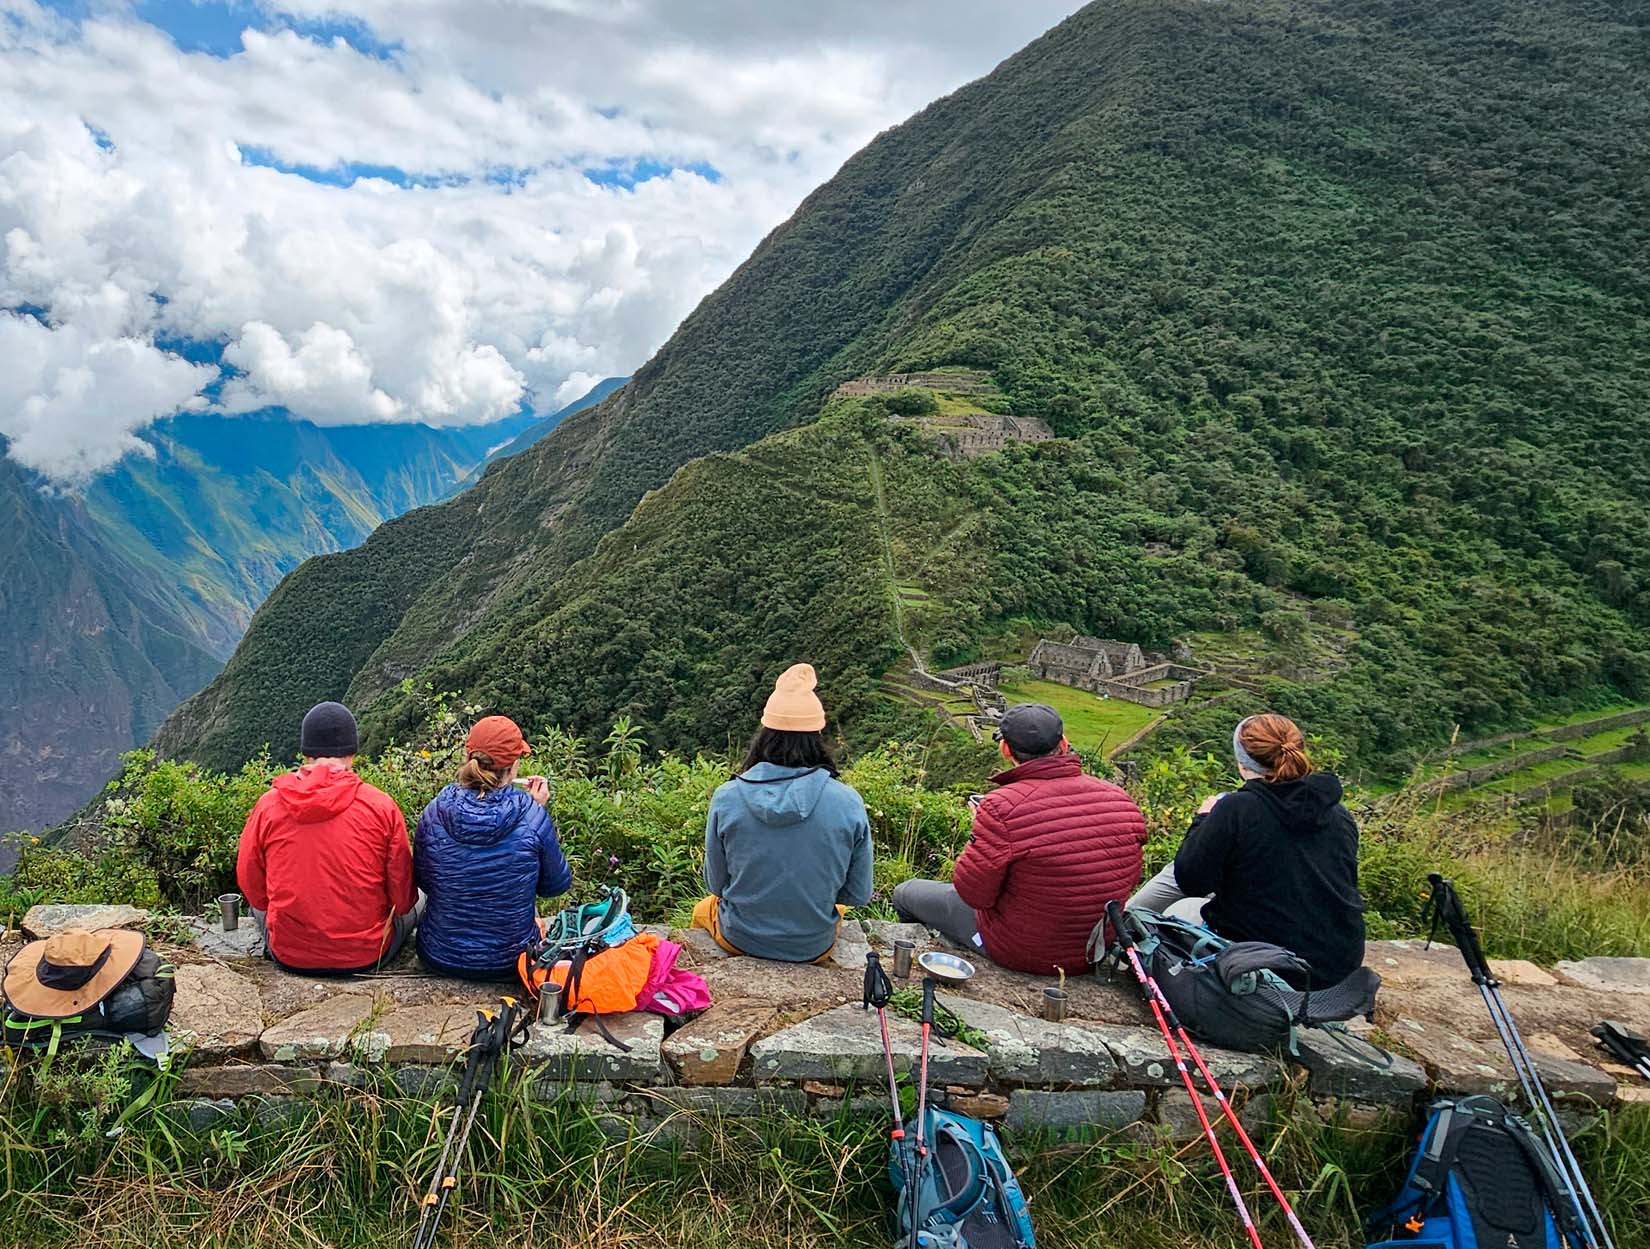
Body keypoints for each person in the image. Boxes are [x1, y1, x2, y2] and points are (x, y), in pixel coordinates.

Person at [893, 703, 1147, 976]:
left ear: (1005, 749)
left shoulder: (1002, 807)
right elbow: (1128, 879)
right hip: (1093, 949)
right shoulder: (1121, 800)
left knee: (905, 893)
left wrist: (980, 833)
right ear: (1064, 743)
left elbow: (973, 894)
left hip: (1020, 951)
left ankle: (916, 957)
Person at [1127, 713, 1365, 988]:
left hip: (1270, 968)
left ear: (1243, 764)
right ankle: (1125, 922)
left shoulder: (1238, 809)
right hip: (1336, 967)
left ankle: (1125, 929)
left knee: (1183, 908)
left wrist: (1204, 820)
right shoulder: (1337, 813)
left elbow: (1191, 880)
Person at [693, 663, 873, 963]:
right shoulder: (848, 802)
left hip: (740, 936)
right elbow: (857, 895)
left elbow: (717, 885)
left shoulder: (727, 797)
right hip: (813, 946)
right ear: (818, 736)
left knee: (702, 910)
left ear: (765, 735)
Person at [238, 701, 419, 974]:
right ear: (353, 753)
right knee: (422, 900)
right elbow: (403, 900)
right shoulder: (381, 806)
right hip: (367, 953)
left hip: (291, 954)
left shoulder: (268, 806)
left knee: (258, 909)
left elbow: (252, 885)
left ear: (305, 753)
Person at [414, 715, 572, 980]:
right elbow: (555, 886)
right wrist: (538, 811)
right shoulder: (531, 815)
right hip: (509, 962)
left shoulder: (435, 812)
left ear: (468, 758)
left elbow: (424, 881)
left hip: (439, 956)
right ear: (512, 768)